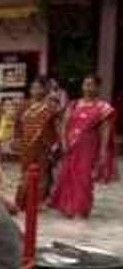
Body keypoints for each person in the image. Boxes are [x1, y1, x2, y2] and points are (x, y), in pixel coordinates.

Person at [49, 75, 118, 218]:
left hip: (88, 147)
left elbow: (105, 130)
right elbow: (64, 125)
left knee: (83, 178)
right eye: (85, 84)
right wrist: (63, 142)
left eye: (91, 85)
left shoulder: (103, 108)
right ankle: (67, 207)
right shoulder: (73, 104)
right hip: (70, 146)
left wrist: (103, 150)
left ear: (97, 87)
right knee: (67, 175)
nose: (87, 88)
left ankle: (80, 209)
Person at [13, 76, 61, 209]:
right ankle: (22, 201)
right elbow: (17, 125)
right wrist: (16, 139)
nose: (36, 91)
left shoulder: (51, 107)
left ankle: (37, 202)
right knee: (25, 173)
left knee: (42, 174)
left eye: (39, 88)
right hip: (27, 145)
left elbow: (58, 125)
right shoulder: (24, 105)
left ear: (45, 89)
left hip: (44, 146)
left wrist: (58, 144)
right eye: (33, 88)